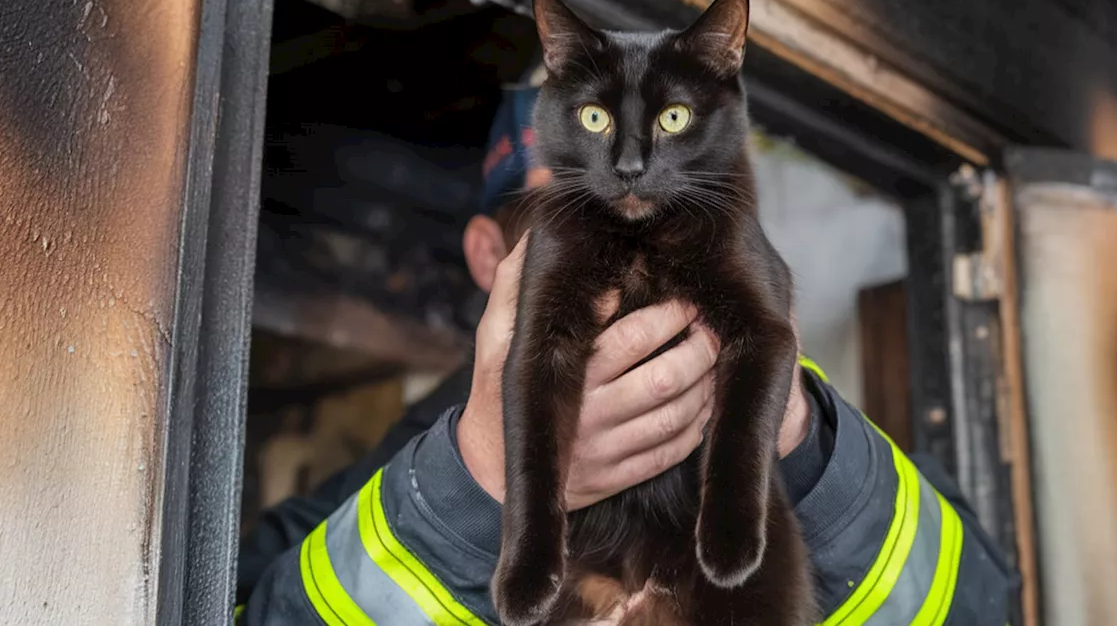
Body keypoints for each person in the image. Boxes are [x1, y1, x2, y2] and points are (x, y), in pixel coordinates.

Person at [237, 63, 1014, 625]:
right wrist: (479, 482)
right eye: (579, 206)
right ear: (490, 255)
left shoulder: (814, 426)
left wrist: (799, 441)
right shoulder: (383, 494)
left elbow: (987, 605)